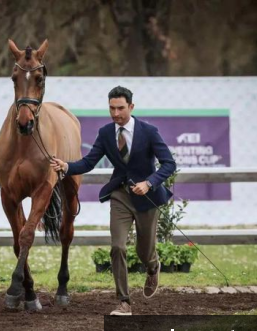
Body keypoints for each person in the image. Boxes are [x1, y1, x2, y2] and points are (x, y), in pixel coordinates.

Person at [50, 86, 176, 315]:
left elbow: (169, 164)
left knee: (144, 251)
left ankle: (152, 266)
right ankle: (124, 302)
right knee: (117, 247)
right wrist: (67, 166)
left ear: (131, 107)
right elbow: (88, 162)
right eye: (111, 108)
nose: (115, 113)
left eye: (120, 108)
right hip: (120, 195)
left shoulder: (149, 131)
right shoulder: (106, 133)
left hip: (147, 198)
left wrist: (149, 183)